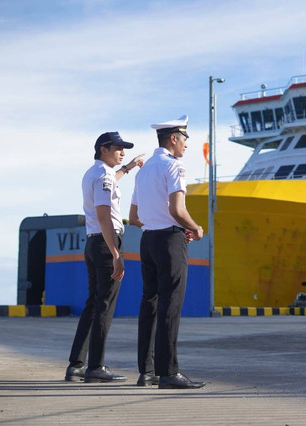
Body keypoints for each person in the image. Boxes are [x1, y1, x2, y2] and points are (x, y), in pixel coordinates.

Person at [129, 115, 205, 389]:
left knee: (149, 303)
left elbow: (133, 216)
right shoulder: (174, 166)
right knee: (170, 305)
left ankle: (147, 371)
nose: (186, 145)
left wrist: (157, 222)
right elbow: (177, 209)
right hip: (170, 242)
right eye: (184, 139)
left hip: (147, 240)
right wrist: (195, 228)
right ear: (173, 138)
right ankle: (169, 372)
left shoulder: (145, 169)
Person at [64, 131, 144, 383]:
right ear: (103, 149)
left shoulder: (95, 173)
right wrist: (116, 253)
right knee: (104, 305)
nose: (123, 152)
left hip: (93, 242)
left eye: (125, 149)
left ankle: (77, 364)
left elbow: (112, 181)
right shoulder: (103, 176)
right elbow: (103, 214)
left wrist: (128, 168)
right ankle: (96, 367)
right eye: (118, 148)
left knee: (93, 303)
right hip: (105, 242)